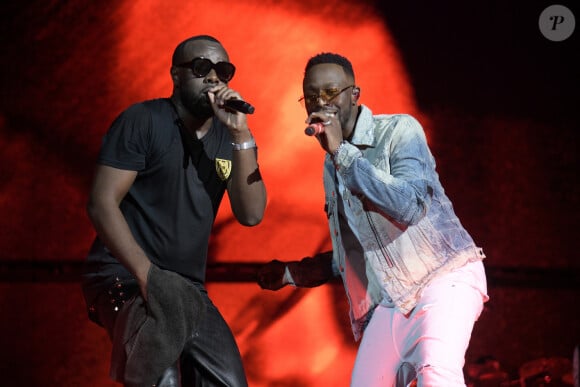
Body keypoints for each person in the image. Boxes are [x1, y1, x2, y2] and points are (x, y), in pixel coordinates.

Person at [257, 52, 488, 386]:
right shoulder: (331, 166)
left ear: (355, 94)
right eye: (311, 96)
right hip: (392, 300)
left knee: (436, 372)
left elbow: (410, 205)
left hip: (443, 278)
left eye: (331, 92)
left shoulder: (399, 129)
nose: (321, 102)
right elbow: (354, 251)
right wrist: (294, 273)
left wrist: (342, 153)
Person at [82, 35, 266, 387]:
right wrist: (147, 274)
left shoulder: (229, 140)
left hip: (185, 289)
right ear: (176, 75)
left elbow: (252, 214)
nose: (214, 78)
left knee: (228, 382)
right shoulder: (144, 120)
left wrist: (242, 134)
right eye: (201, 68)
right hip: (125, 276)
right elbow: (101, 203)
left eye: (223, 71)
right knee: (160, 375)